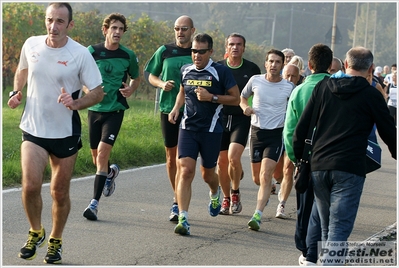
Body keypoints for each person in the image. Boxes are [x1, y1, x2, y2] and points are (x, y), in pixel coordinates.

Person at [7, 2, 104, 264]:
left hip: (65, 133)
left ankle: (55, 240)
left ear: (70, 25)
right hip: (34, 128)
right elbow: (23, 70)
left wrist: (76, 103)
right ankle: (36, 231)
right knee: (30, 186)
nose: (54, 26)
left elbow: (97, 91)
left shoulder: (80, 53)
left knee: (59, 192)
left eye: (60, 21)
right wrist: (16, 92)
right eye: (50, 20)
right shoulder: (32, 44)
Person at [293, 47, 396, 263]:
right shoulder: (371, 95)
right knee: (338, 233)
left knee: (326, 229)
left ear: (346, 65)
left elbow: (301, 128)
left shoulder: (323, 87)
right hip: (349, 167)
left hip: (319, 165)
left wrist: (299, 158)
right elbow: (389, 131)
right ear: (370, 69)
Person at [168, 33, 240, 235]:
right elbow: (183, 90)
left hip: (211, 130)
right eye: (193, 51)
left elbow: (235, 99)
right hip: (187, 128)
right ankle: (183, 217)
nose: (196, 55)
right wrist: (176, 108)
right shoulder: (185, 70)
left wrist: (212, 97)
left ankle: (215, 192)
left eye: (201, 51)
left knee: (208, 174)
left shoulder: (221, 72)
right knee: (185, 171)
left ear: (210, 52)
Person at [83, 12, 140, 221]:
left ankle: (94, 204)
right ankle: (110, 174)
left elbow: (136, 76)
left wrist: (131, 89)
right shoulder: (92, 51)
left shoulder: (128, 55)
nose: (117, 32)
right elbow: (82, 75)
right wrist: (88, 92)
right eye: (113, 28)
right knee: (95, 158)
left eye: (121, 29)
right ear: (105, 29)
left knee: (102, 155)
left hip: (115, 110)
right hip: (94, 109)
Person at [284, 43, 333, 265]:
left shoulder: (299, 90)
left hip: (305, 158)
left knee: (305, 206)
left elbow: (289, 129)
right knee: (326, 209)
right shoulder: (336, 88)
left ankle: (305, 251)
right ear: (330, 66)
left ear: (310, 65)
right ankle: (322, 252)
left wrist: (296, 159)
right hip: (331, 159)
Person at [145, 15, 195, 222]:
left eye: (184, 29)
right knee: (171, 156)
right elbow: (150, 75)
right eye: (177, 28)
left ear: (192, 30)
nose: (180, 32)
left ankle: (179, 200)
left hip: (192, 112)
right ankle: (177, 198)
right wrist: (161, 84)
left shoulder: (197, 52)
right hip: (168, 109)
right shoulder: (164, 51)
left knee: (185, 160)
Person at [240, 49, 295, 231]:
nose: (273, 65)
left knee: (265, 174)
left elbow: (295, 108)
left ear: (282, 65)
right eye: (270, 61)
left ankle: (257, 214)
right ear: (265, 64)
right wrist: (245, 107)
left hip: (275, 135)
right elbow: (242, 97)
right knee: (257, 178)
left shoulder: (288, 87)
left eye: (277, 62)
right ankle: (269, 186)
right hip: (256, 133)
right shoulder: (255, 80)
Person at [216, 33, 261, 215]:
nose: (235, 47)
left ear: (244, 48)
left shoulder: (252, 69)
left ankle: (235, 191)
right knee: (221, 162)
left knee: (234, 158)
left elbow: (258, 93)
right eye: (231, 44)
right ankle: (226, 198)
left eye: (239, 44)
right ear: (226, 47)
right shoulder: (217, 66)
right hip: (220, 118)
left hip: (241, 119)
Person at [271, 63, 300, 219]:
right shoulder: (275, 89)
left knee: (288, 168)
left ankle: (281, 204)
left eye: (293, 76)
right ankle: (279, 183)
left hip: (290, 135)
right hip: (274, 133)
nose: (289, 79)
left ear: (298, 78)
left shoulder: (299, 92)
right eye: (287, 75)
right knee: (276, 172)